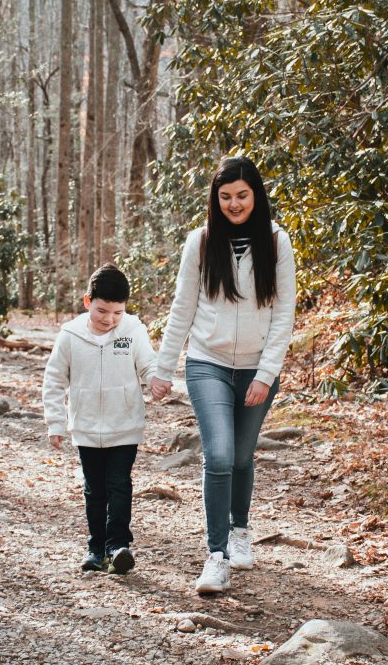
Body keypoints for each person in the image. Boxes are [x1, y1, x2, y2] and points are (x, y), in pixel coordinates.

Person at [149, 156, 296, 595]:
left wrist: (266, 374)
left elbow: (283, 313)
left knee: (240, 458)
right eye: (225, 196)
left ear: (256, 196)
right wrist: (162, 368)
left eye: (242, 196)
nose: (234, 204)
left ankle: (240, 530)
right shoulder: (200, 241)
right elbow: (182, 308)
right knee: (217, 455)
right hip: (207, 363)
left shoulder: (276, 242)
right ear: (216, 198)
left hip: (256, 367)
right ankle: (216, 556)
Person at [42, 263, 157, 574]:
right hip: (86, 426)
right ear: (86, 302)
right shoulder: (70, 335)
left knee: (119, 484)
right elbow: (54, 380)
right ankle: (96, 548)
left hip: (125, 424)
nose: (109, 319)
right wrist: (55, 423)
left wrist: (157, 381)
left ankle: (118, 545)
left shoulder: (133, 331)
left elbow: (148, 366)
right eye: (102, 311)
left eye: (117, 312)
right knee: (95, 490)